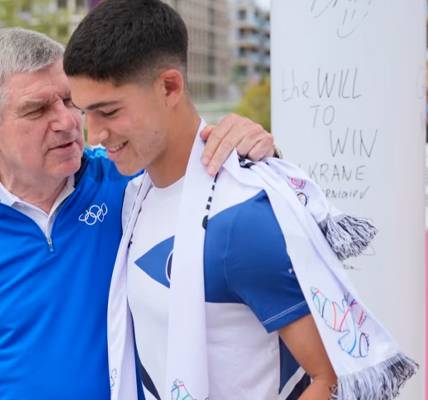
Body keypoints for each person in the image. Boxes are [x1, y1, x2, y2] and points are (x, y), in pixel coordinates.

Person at [64, 1, 417, 400]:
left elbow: (331, 376)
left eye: (108, 112)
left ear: (170, 87)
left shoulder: (241, 217)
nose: (94, 134)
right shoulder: (132, 193)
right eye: (85, 114)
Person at [0, 27, 277, 400]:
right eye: (37, 110)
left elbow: (216, 178)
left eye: (70, 101)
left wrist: (248, 143)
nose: (67, 122)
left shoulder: (127, 178)